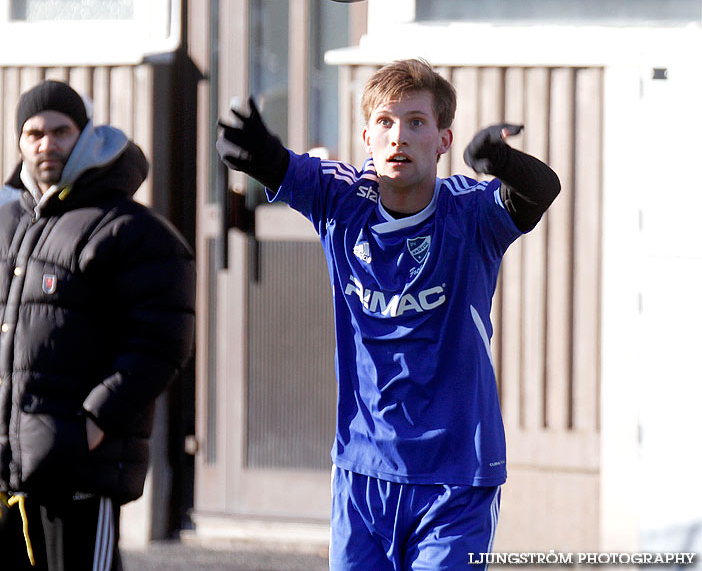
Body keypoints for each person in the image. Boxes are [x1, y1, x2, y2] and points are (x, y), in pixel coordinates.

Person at [217, 58, 560, 571]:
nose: (399, 136)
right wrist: (260, 155)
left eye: (416, 122)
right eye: (386, 121)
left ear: (443, 140)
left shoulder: (471, 213)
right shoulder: (341, 199)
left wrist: (503, 161)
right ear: (366, 137)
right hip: (362, 472)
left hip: (455, 478)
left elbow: (541, 191)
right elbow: (281, 166)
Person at [0, 80, 196, 571]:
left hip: (78, 468)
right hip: (8, 472)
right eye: (34, 133)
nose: (47, 144)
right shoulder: (8, 226)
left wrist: (95, 422)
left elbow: (160, 343)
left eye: (61, 131)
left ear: (87, 135)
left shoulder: (132, 232)